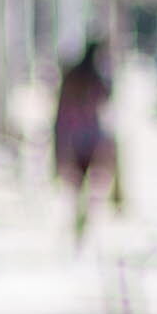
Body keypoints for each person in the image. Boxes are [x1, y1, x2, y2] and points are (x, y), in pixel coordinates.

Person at [51, 40, 119, 242]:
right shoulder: (92, 79)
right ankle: (80, 221)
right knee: (86, 183)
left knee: (79, 184)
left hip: (77, 137)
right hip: (88, 138)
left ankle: (79, 220)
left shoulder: (77, 77)